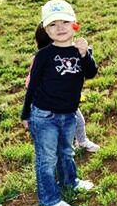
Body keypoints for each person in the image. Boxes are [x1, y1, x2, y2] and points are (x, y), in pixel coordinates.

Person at [21, 0, 98, 206]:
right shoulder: (43, 56)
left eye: (65, 22)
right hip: (44, 116)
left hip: (69, 114)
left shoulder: (81, 50)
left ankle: (70, 181)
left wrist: (86, 54)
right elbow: (33, 86)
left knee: (66, 151)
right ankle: (50, 199)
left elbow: (90, 73)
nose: (60, 28)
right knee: (47, 159)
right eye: (53, 24)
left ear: (75, 24)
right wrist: (26, 113)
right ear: (45, 29)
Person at [26, 23, 100, 152]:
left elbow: (86, 71)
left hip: (66, 102)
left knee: (78, 121)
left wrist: (84, 54)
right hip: (46, 105)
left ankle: (81, 141)